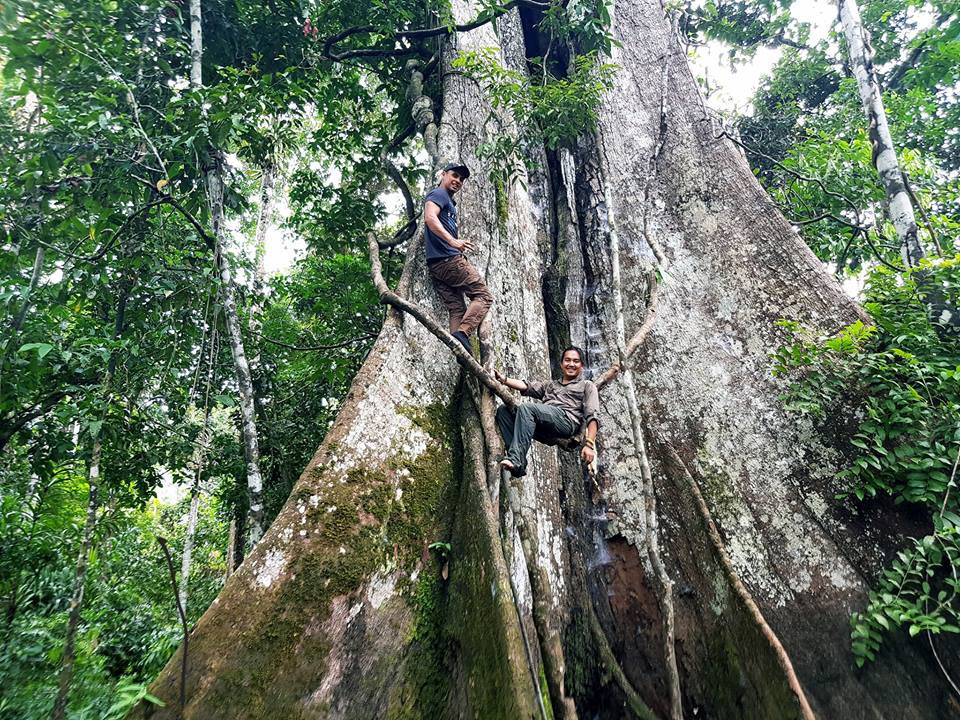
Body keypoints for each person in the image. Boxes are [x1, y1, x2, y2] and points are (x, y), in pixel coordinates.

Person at [494, 346, 599, 477]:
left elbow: (592, 416)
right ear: (561, 364)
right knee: (504, 411)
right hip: (544, 424)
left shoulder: (587, 385)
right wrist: (504, 380)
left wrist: (589, 444)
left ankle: (515, 458)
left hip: (566, 421)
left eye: (576, 361)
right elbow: (527, 386)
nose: (571, 364)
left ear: (582, 365)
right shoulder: (550, 385)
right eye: (567, 360)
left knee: (527, 408)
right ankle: (518, 466)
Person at [423, 162, 493, 355]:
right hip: (449, 260)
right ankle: (462, 333)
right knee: (483, 296)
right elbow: (430, 217)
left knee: (457, 309)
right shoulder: (439, 194)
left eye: (461, 179)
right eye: (454, 175)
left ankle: (459, 352)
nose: (458, 181)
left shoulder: (449, 201)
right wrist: (452, 241)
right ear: (443, 174)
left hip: (436, 267)